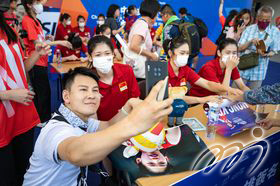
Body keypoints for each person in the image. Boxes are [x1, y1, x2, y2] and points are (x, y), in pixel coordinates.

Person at [23, 67, 174, 186]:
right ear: (66, 96)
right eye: (83, 90)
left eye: (95, 90)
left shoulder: (82, 121)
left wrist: (127, 107)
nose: (91, 95)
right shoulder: (56, 129)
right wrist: (133, 123)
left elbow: (107, 125)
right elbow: (75, 153)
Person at [0, 1, 51, 185]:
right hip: (3, 121)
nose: (13, 12)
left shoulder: (10, 31)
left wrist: (37, 54)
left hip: (23, 115)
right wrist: (8, 95)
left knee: (25, 173)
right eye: (10, 8)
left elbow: (23, 68)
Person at [164, 37, 243, 104]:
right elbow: (172, 96)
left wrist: (230, 89)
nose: (185, 56)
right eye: (182, 53)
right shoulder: (162, 70)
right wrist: (203, 99)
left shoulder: (185, 69)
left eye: (187, 53)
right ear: (170, 53)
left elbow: (207, 84)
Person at [88, 35, 140, 121]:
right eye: (98, 55)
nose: (103, 58)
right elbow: (93, 120)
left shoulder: (127, 71)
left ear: (113, 54)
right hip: (104, 129)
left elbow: (135, 101)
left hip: (128, 124)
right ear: (90, 57)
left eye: (107, 53)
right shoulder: (88, 81)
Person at [21, 0, 52, 124]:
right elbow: (37, 44)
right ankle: (40, 120)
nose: (40, 4)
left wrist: (47, 38)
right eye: (37, 2)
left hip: (43, 61)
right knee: (41, 92)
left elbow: (39, 39)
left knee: (45, 90)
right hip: (35, 61)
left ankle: (45, 116)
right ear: (29, 5)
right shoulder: (27, 20)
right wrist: (60, 43)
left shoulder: (37, 21)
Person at [238, 5, 280, 89]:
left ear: (271, 19)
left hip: (259, 70)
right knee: (235, 93)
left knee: (253, 97)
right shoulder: (249, 29)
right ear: (257, 17)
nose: (264, 21)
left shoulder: (275, 32)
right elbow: (239, 48)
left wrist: (266, 54)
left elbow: (275, 50)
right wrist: (250, 42)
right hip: (243, 67)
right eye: (261, 19)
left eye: (267, 19)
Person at [126, 0, 160, 79]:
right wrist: (152, 55)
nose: (157, 16)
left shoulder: (140, 23)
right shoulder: (142, 25)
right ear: (153, 13)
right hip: (139, 71)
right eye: (157, 14)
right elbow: (133, 46)